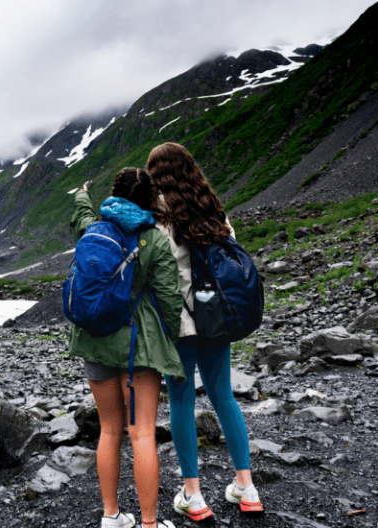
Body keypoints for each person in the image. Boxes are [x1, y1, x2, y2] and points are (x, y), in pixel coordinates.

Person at [146, 142, 264, 522]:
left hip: (178, 325)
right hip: (216, 319)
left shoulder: (156, 218)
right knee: (224, 396)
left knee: (182, 404)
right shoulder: (212, 210)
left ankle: (193, 496)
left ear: (157, 175)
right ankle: (246, 487)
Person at [69, 167, 183, 528]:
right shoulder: (154, 238)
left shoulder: (95, 229)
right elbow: (168, 297)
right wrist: (174, 337)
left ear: (115, 193)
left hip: (94, 342)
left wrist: (82, 195)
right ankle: (149, 524)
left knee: (109, 431)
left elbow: (82, 216)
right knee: (143, 434)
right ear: (150, 199)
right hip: (139, 348)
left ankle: (111, 516)